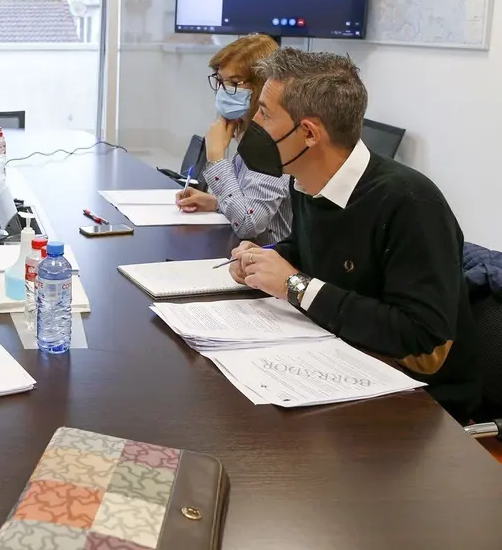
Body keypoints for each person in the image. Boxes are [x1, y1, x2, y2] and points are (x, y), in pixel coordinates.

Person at [226, 49, 479, 420]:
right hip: (337, 365)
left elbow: (421, 336)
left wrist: (294, 285)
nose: (255, 122)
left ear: (308, 133)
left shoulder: (410, 203)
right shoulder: (305, 180)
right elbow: (308, 249)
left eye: (264, 112)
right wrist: (263, 258)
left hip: (417, 409)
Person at [176, 35, 292, 245]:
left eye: (235, 82)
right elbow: (252, 205)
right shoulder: (248, 132)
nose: (224, 90)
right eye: (220, 81)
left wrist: (217, 159)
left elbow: (248, 225)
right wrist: (216, 203)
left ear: (262, 85)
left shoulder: (273, 142)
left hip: (274, 261)